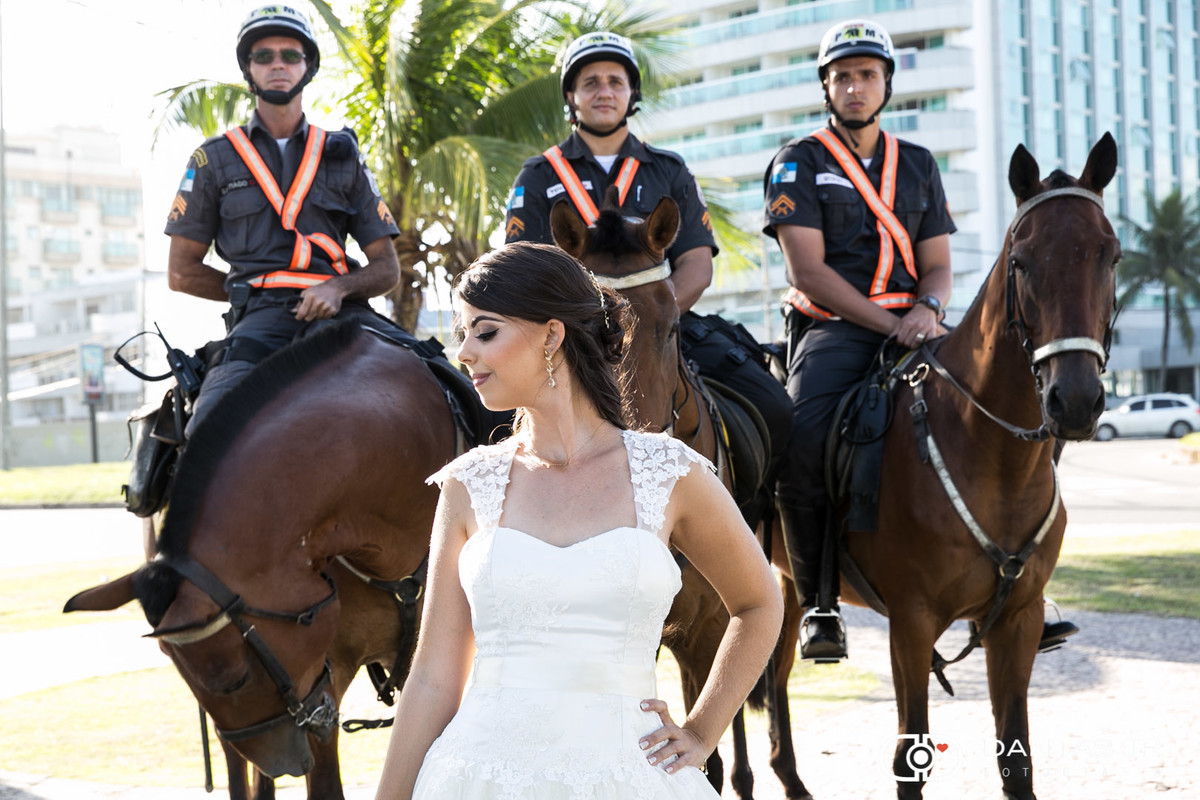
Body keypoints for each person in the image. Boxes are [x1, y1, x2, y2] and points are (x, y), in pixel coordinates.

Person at [374, 242, 783, 800]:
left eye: (485, 331)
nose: (463, 351)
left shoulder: (670, 473)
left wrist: (701, 731)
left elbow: (760, 602)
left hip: (632, 778)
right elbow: (431, 680)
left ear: (552, 334)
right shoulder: (469, 486)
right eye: (462, 332)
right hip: (480, 777)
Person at [764, 19, 1077, 661]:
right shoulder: (798, 161)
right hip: (833, 331)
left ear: (886, 84)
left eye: (867, 75)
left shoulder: (919, 164)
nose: (855, 86)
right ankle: (821, 602)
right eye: (843, 76)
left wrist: (930, 306)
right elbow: (809, 271)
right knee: (803, 438)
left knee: (1015, 415)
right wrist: (894, 323)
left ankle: (1027, 590)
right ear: (827, 87)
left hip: (922, 326)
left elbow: (936, 261)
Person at [503, 31, 793, 487]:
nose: (604, 91)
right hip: (569, 337)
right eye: (591, 82)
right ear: (571, 96)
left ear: (631, 94)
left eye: (615, 81)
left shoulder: (668, 169)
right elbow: (520, 271)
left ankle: (756, 522)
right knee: (492, 430)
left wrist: (654, 318)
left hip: (665, 323)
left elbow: (697, 263)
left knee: (775, 406)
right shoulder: (537, 176)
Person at [164, 4, 403, 436]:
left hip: (345, 312)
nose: (278, 65)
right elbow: (181, 273)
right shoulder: (213, 159)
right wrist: (251, 295)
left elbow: (387, 268)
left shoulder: (343, 154)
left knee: (450, 389)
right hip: (259, 321)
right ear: (248, 69)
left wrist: (337, 286)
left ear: (307, 67)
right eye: (264, 56)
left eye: (290, 55)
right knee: (207, 429)